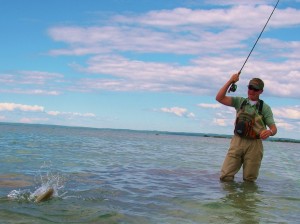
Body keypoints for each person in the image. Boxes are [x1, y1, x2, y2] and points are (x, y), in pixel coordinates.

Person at [216, 73, 277, 182]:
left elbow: (274, 128)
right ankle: (230, 198)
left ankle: (248, 198)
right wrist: (230, 81)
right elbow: (219, 98)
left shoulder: (265, 108)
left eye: (255, 89)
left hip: (255, 145)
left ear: (261, 91)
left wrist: (270, 132)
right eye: (250, 88)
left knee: (250, 179)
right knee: (225, 177)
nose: (252, 91)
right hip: (237, 142)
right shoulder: (239, 101)